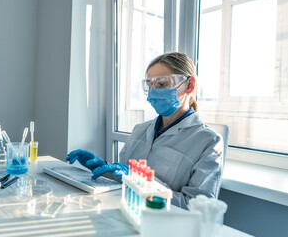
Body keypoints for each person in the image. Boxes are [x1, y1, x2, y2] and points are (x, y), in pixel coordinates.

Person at [66, 52, 224, 209]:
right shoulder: (140, 130)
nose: (154, 91)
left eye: (162, 84)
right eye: (150, 85)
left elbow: (197, 208)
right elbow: (125, 180)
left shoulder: (208, 141)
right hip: (125, 212)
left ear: (189, 85)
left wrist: (142, 180)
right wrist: (103, 168)